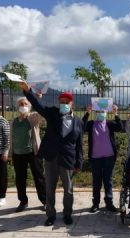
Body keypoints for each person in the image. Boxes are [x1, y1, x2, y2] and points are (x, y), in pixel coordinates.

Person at [19, 82, 83, 226]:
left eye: (67, 102)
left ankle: (67, 214)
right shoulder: (52, 113)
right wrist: (28, 91)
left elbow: (79, 144)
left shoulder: (78, 122)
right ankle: (51, 215)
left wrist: (79, 162)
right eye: (62, 102)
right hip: (51, 158)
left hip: (68, 159)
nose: (64, 104)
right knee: (49, 189)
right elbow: (38, 106)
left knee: (68, 190)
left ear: (72, 104)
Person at [82, 104, 123, 213]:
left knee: (108, 181)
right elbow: (81, 126)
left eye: (103, 111)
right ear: (96, 113)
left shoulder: (109, 124)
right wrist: (87, 112)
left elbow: (120, 127)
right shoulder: (91, 124)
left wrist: (116, 114)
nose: (101, 113)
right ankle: (96, 203)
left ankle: (109, 203)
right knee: (96, 182)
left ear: (106, 113)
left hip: (109, 157)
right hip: (95, 158)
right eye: (99, 111)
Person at [9, 97, 46, 212]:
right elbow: (11, 138)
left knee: (39, 178)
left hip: (33, 153)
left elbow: (42, 113)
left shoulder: (32, 118)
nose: (23, 106)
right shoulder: (13, 121)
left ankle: (45, 201)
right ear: (17, 106)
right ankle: (23, 201)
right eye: (21, 104)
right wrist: (10, 151)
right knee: (20, 179)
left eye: (25, 104)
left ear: (29, 106)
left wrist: (37, 99)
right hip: (18, 154)